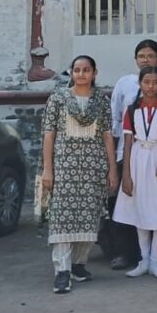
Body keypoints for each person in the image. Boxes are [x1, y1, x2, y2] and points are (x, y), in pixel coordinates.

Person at [41, 55, 118, 294]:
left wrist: (112, 169)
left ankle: (78, 264)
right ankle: (62, 271)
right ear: (72, 73)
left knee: (89, 216)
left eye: (86, 70)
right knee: (62, 218)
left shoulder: (101, 101)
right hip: (64, 168)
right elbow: (49, 135)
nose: (81, 74)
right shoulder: (58, 99)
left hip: (93, 168)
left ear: (95, 73)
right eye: (77, 70)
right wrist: (47, 169)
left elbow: (107, 135)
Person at [108, 40, 157, 270]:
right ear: (139, 83)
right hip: (136, 159)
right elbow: (125, 138)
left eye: (155, 83)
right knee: (137, 206)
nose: (150, 86)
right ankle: (142, 259)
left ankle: (156, 259)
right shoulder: (131, 106)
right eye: (146, 82)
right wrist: (125, 173)